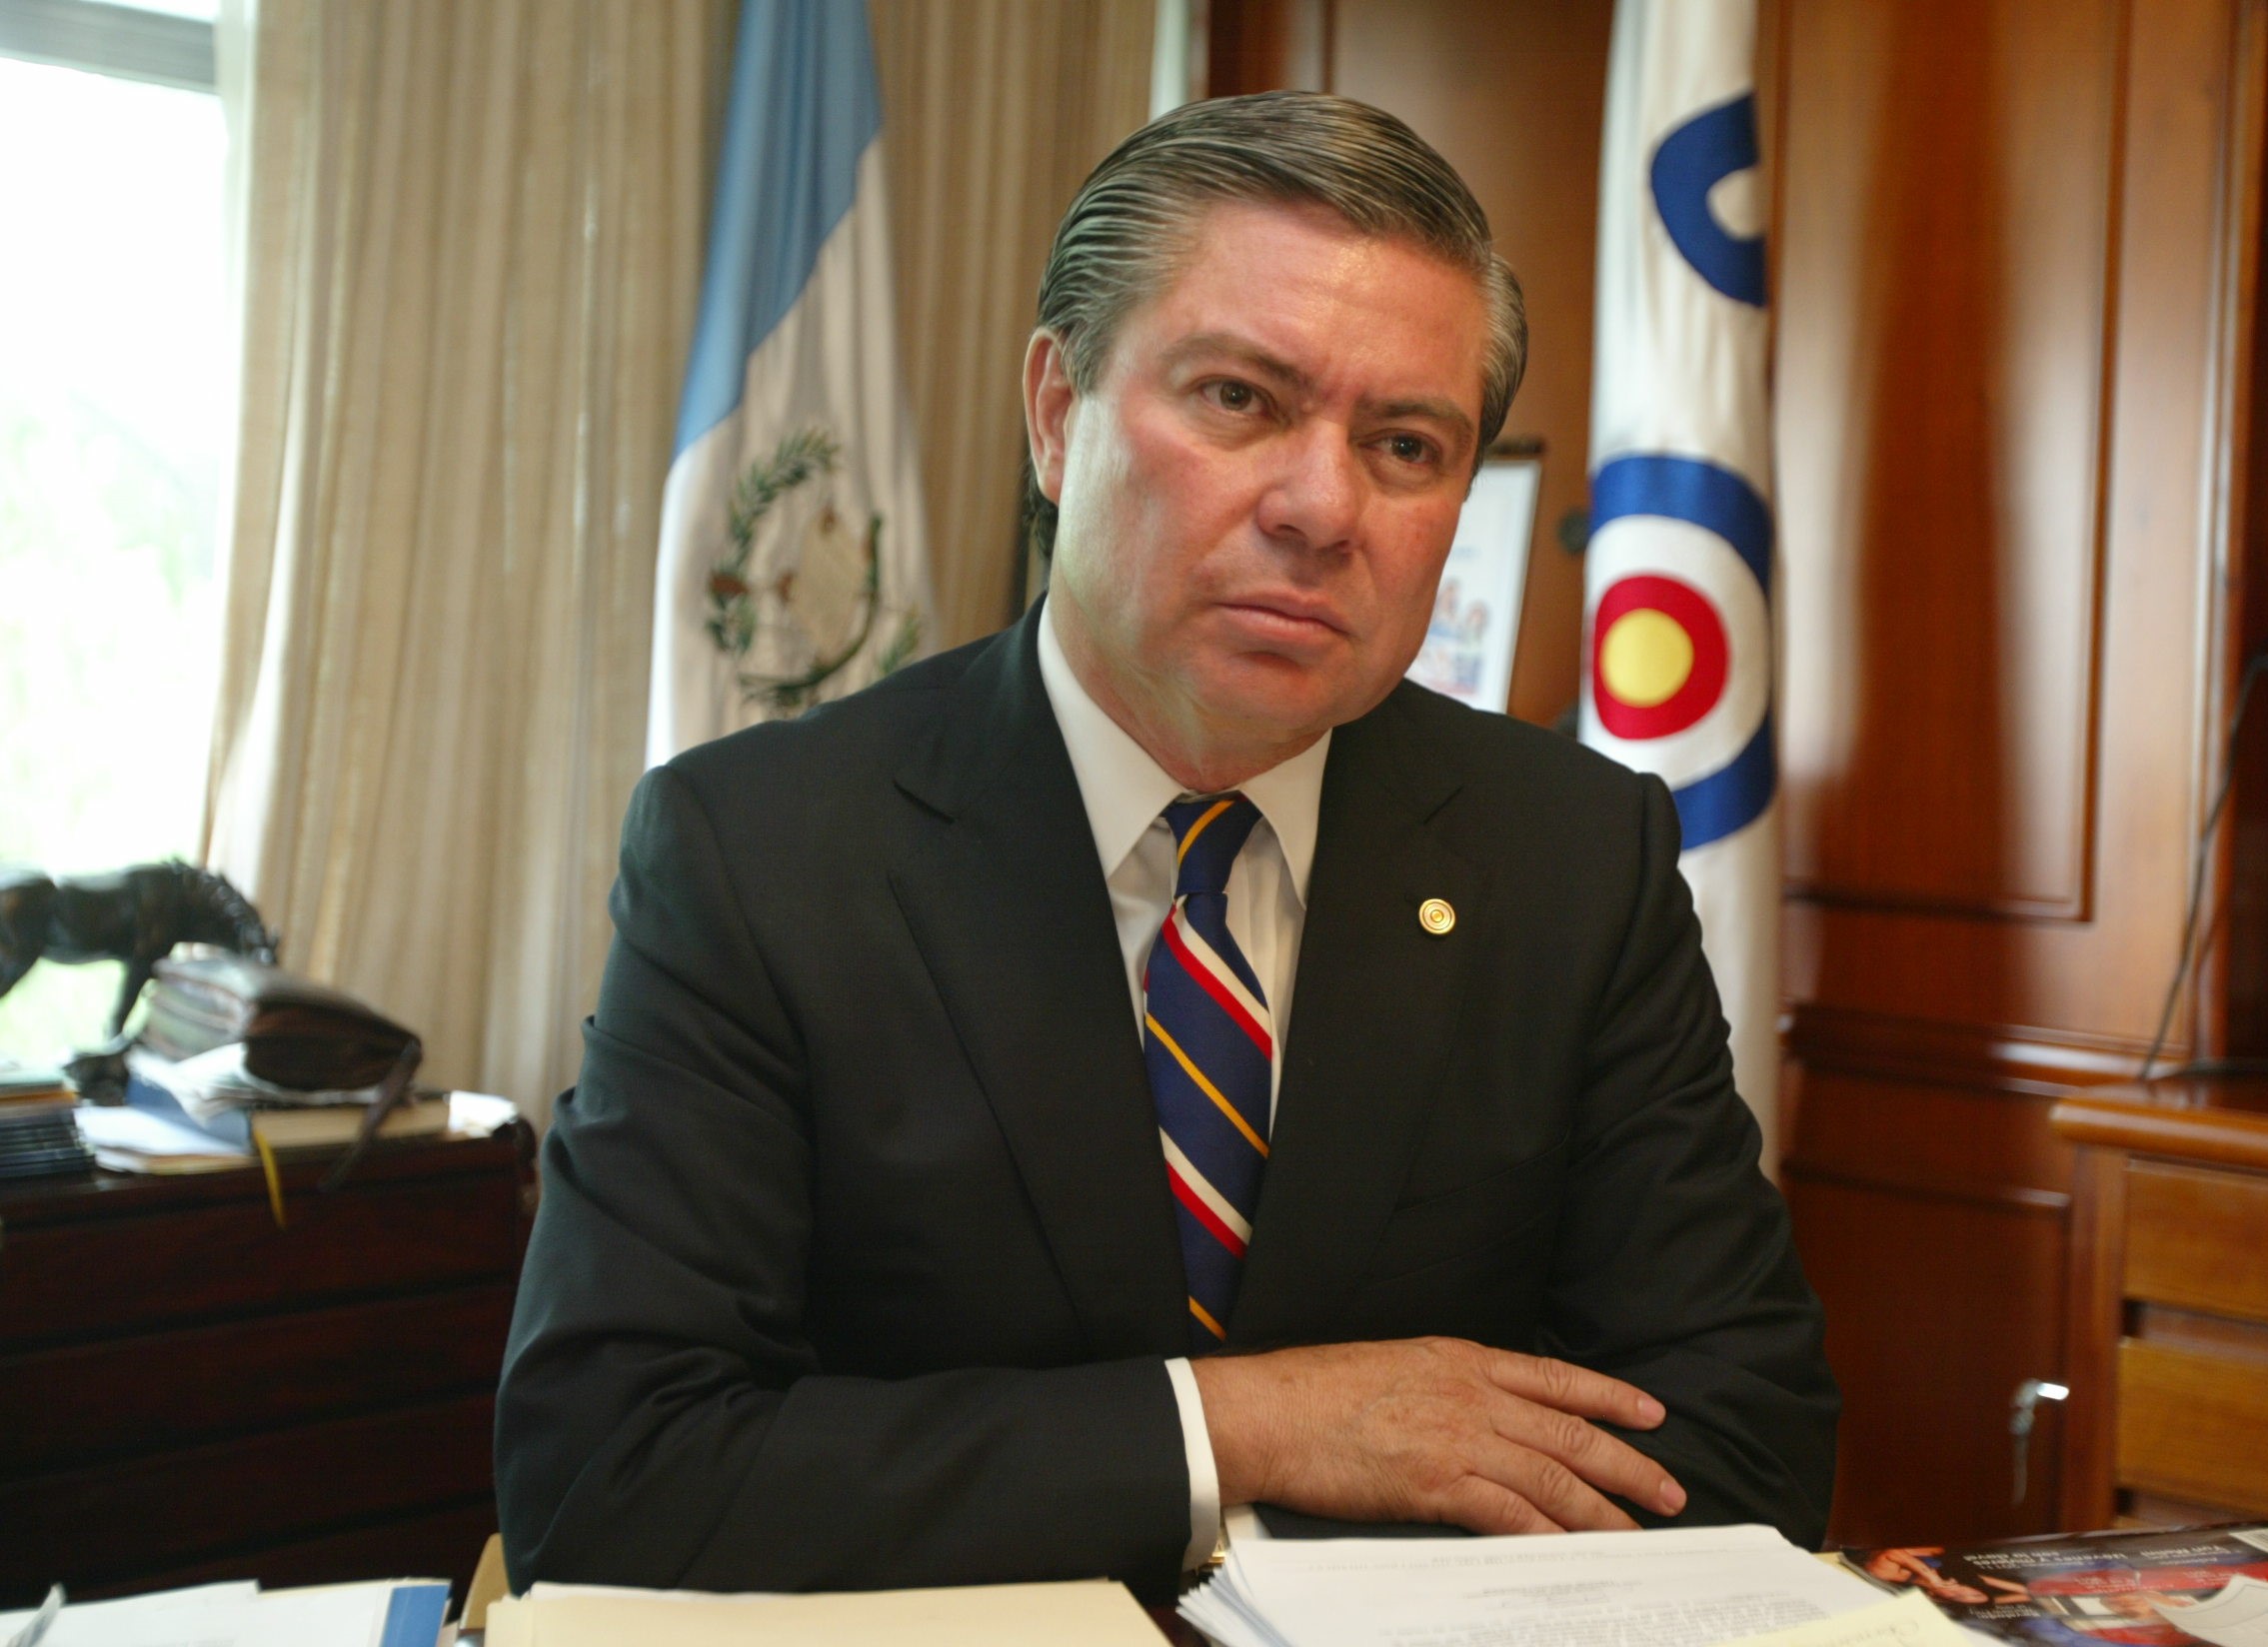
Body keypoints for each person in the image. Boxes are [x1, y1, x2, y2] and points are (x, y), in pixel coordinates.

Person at [495, 89, 1836, 1601]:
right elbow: (611, 1474)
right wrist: (1244, 1429)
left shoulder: (1572, 855)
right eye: (1239, 401)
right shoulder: (760, 853)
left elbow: (1741, 1438)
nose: (1322, 509)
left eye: (1405, 444)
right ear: (1058, 413)